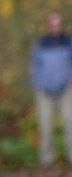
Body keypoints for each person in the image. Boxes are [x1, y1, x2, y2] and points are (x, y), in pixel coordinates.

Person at [31, 12, 72, 168]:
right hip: (44, 92)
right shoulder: (42, 43)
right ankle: (47, 161)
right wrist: (36, 82)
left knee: (70, 124)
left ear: (61, 25)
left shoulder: (68, 42)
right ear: (49, 25)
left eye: (58, 24)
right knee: (46, 126)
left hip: (66, 91)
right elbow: (35, 66)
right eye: (53, 24)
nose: (55, 27)